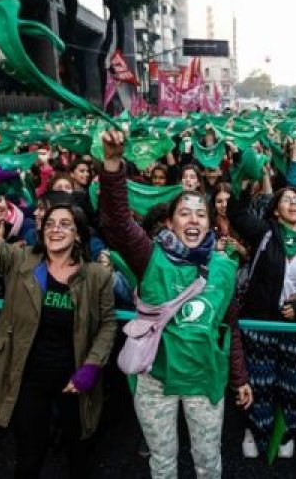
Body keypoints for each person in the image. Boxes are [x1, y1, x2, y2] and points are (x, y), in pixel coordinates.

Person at [98, 130, 251, 479]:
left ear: (211, 223)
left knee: (208, 464)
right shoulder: (148, 257)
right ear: (170, 222)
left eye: (201, 214)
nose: (193, 219)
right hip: (154, 382)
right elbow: (118, 222)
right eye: (185, 213)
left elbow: (229, 327)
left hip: (204, 381)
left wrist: (240, 377)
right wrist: (112, 163)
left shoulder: (225, 267)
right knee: (163, 465)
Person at [0, 165, 117, 478]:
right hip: (27, 377)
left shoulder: (96, 275)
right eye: (50, 224)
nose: (55, 229)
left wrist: (92, 366)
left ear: (79, 233)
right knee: (29, 456)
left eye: (65, 224)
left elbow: (108, 323)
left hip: (74, 379)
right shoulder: (19, 259)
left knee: (77, 452)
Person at [228, 182, 296, 459]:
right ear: (276, 210)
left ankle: (288, 430)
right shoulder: (265, 233)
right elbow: (235, 213)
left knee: (294, 380)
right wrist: (244, 185)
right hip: (261, 324)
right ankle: (253, 429)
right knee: (260, 380)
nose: (294, 203)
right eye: (287, 200)